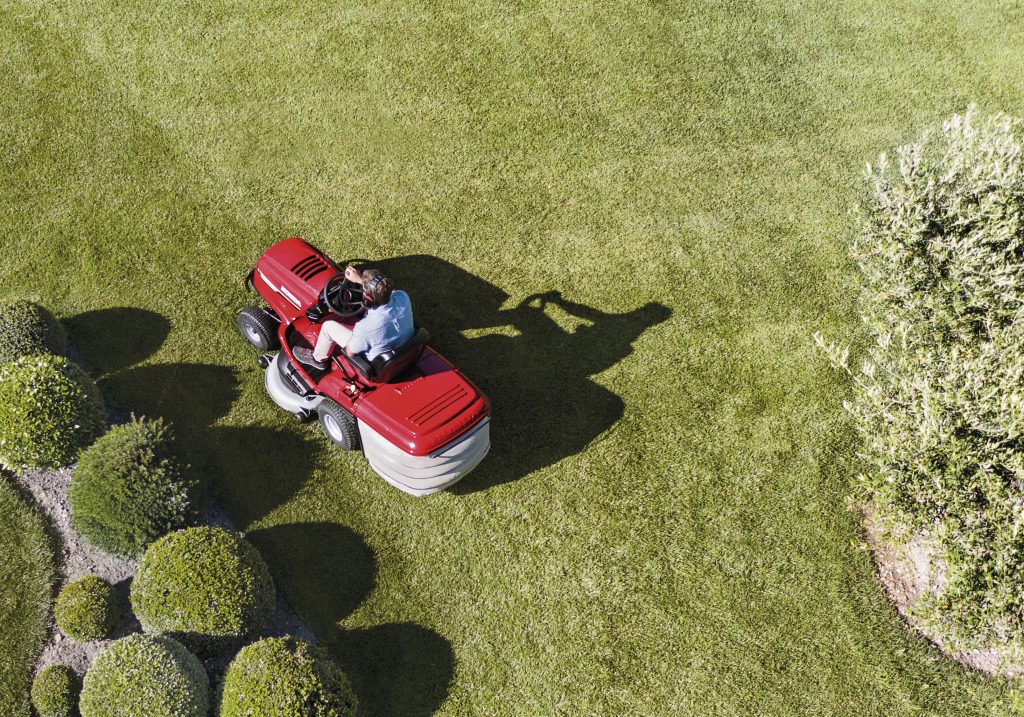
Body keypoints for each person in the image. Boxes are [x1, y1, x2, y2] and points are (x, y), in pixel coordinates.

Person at [293, 266, 414, 371]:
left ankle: (318, 359)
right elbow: (387, 292)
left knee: (328, 326)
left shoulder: (365, 327)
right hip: (402, 345)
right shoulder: (402, 297)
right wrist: (361, 281)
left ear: (368, 300)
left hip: (375, 359)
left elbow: (350, 352)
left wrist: (362, 283)